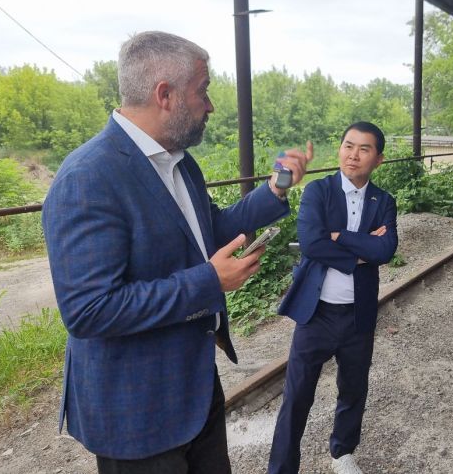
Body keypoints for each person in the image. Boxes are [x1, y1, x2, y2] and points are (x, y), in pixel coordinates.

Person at [42, 31, 313, 473]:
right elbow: (89, 310)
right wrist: (209, 281)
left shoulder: (180, 162)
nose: (210, 105)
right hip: (136, 416)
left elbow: (210, 232)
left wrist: (275, 190)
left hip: (193, 388)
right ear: (164, 95)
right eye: (203, 91)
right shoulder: (88, 177)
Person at [267, 122, 398, 474]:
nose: (353, 155)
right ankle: (281, 468)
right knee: (296, 396)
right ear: (339, 149)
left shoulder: (384, 200)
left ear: (378, 159)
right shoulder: (318, 192)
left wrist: (339, 236)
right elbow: (311, 243)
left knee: (353, 388)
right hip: (317, 314)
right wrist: (360, 251)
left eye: (364, 149)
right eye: (348, 145)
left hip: (359, 315)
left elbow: (386, 249)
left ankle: (343, 454)